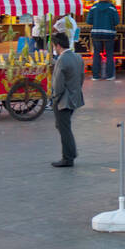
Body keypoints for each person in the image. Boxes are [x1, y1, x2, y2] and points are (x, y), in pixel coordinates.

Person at [49, 31, 85, 166]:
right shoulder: (77, 57)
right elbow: (81, 78)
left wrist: (55, 98)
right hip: (74, 97)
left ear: (58, 46)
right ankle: (70, 153)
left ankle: (68, 157)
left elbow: (58, 83)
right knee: (63, 126)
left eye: (54, 46)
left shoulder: (62, 60)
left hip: (63, 100)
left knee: (64, 128)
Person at [87, 0, 120, 80]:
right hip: (109, 34)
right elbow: (116, 22)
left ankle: (95, 76)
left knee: (96, 54)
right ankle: (110, 76)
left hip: (96, 33)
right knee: (109, 54)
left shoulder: (94, 7)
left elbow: (88, 21)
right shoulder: (112, 8)